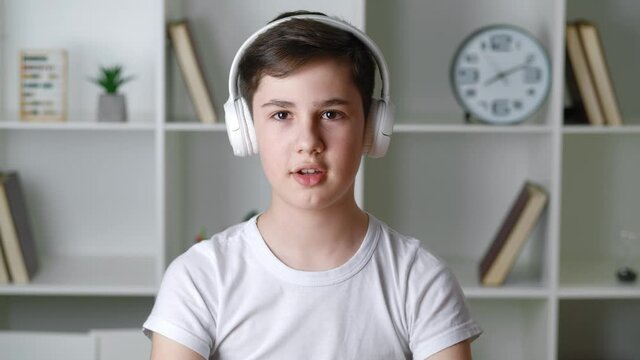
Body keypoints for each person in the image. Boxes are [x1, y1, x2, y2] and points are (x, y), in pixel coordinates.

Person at [143, 10, 482, 360]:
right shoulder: (200, 277)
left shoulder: (420, 280)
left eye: (331, 114)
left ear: (372, 127)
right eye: (281, 115)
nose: (308, 142)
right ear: (245, 128)